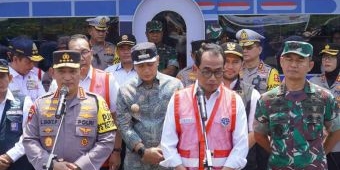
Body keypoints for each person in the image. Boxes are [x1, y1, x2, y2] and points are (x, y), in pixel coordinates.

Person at [23, 50, 116, 170]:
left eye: (72, 71)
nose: (67, 78)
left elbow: (107, 139)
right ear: (53, 73)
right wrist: (51, 164)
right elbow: (29, 139)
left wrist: (80, 166)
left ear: (80, 72)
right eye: (61, 72)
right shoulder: (39, 105)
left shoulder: (97, 102)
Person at [160, 43, 248, 169]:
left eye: (218, 72)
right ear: (195, 69)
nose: (212, 78)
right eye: (207, 71)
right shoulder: (178, 99)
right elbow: (168, 144)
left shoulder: (234, 100)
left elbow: (241, 146)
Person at [254, 41, 340, 169]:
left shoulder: (324, 98)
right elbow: (259, 134)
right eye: (289, 59)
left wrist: (319, 154)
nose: (293, 65)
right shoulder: (267, 100)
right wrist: (278, 153)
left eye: (300, 60)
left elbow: (336, 131)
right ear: (282, 62)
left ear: (310, 65)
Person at [48, 34, 120, 170]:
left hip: (99, 158)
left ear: (91, 53)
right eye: (75, 53)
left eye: (85, 52)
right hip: (65, 161)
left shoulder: (107, 79)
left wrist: (116, 151)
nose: (81, 58)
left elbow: (116, 118)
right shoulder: (57, 82)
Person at [116, 42, 183, 169]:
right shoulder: (125, 90)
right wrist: (142, 151)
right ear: (134, 65)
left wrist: (163, 148)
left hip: (168, 158)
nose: (146, 70)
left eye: (150, 64)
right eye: (141, 66)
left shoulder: (175, 86)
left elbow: (181, 122)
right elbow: (124, 125)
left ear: (157, 60)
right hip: (137, 160)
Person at [220, 42, 261, 170]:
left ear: (242, 65)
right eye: (226, 61)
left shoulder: (252, 94)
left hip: (242, 164)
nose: (229, 66)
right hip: (212, 161)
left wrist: (232, 160)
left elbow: (254, 133)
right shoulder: (207, 91)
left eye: (235, 62)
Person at [105, 34, 137, 170]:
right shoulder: (108, 73)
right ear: (117, 51)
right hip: (113, 130)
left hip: (138, 128)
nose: (126, 51)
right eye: (122, 48)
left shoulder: (145, 70)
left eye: (129, 48)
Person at [309, 43, 340, 170]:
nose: (326, 60)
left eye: (331, 57)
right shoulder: (314, 82)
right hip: (319, 142)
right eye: (324, 57)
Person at [0, 59, 34, 170]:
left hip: (17, 164)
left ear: (10, 78)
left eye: (1, 76)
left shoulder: (24, 102)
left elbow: (29, 135)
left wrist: (8, 157)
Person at [236, 29, 280, 94]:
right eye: (242, 48)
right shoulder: (235, 70)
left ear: (260, 50)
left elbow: (275, 98)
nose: (244, 51)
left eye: (249, 47)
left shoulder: (270, 73)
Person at [7, 36, 45, 101]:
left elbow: (43, 100)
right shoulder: (3, 77)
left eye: (34, 62)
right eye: (28, 62)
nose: (32, 66)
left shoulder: (33, 76)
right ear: (15, 59)